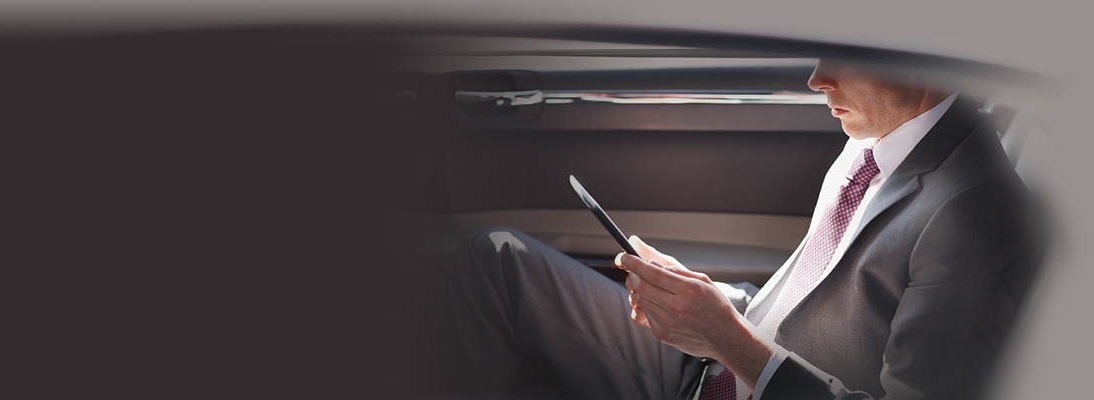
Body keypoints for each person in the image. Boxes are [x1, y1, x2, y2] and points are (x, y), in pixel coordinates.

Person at [442, 59, 1043, 399]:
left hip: (746, 377)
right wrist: (704, 304)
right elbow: (810, 296)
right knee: (493, 258)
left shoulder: (976, 215)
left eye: (841, 57)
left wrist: (729, 340)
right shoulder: (877, 135)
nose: (816, 80)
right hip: (715, 369)